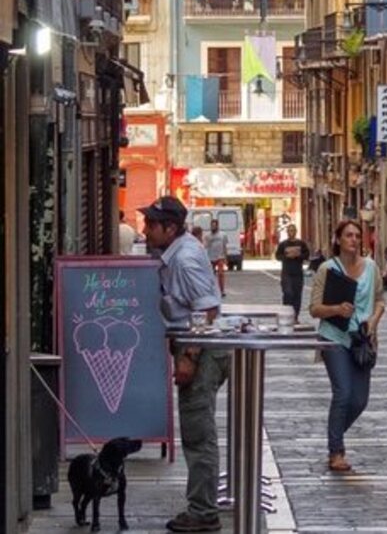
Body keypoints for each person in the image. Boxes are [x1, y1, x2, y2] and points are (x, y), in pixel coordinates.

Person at [138, 196, 228, 533]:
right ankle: (204, 505)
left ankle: (204, 512)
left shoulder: (185, 259)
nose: (145, 230)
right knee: (198, 429)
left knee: (197, 432)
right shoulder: (177, 251)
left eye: (151, 224)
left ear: (170, 228)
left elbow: (206, 309)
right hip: (198, 345)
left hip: (201, 350)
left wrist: (189, 356)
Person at [309, 220, 386, 473]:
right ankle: (336, 451)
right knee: (343, 393)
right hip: (334, 337)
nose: (353, 240)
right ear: (338, 239)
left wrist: (373, 322)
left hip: (361, 340)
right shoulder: (327, 269)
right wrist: (336, 309)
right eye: (348, 235)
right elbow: (314, 308)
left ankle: (334, 435)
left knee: (360, 400)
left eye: (357, 235)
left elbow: (379, 301)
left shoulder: (372, 267)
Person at [274, 225, 310, 321]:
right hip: (286, 272)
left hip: (298, 273)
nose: (291, 232)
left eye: (293, 230)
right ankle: (286, 314)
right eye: (289, 230)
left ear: (296, 231)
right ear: (287, 232)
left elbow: (307, 255)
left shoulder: (301, 243)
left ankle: (295, 316)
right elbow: (277, 256)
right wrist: (287, 256)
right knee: (288, 293)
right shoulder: (283, 244)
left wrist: (298, 255)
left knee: (297, 295)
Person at [203, 219, 229, 296]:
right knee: (210, 275)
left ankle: (222, 291)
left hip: (220, 257)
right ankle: (211, 290)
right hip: (210, 257)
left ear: (217, 226)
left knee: (221, 274)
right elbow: (205, 247)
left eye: (214, 225)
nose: (213, 227)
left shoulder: (223, 235)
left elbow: (225, 247)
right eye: (212, 225)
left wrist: (226, 258)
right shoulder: (207, 236)